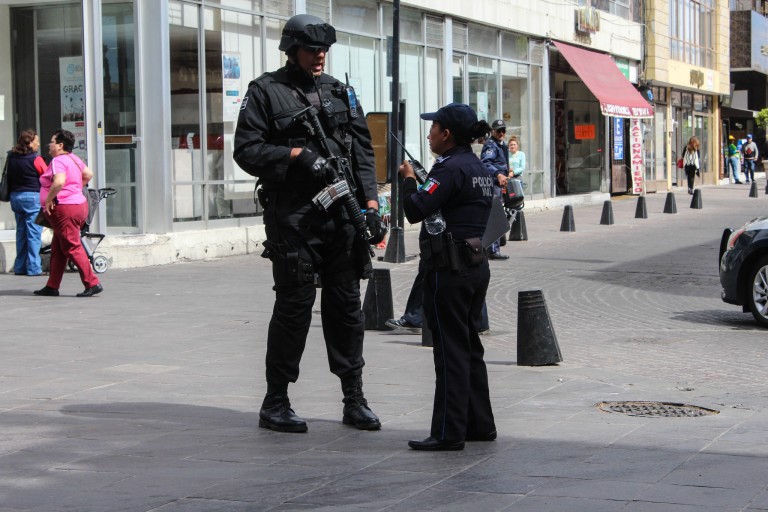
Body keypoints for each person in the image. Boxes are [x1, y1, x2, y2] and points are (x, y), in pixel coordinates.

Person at [233, 14, 386, 434]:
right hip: (295, 219)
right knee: (294, 308)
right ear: (291, 49)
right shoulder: (265, 92)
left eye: (324, 50)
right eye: (311, 49)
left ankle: (354, 398)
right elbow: (246, 151)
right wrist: (296, 157)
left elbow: (362, 152)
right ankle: (275, 401)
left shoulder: (340, 91)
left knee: (346, 310)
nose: (319, 57)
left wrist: (372, 203)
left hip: (343, 216)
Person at [399, 103, 496, 451]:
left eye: (434, 127)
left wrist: (410, 181)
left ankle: (447, 431)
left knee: (450, 350)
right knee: (470, 346)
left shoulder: (451, 169)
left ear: (447, 133)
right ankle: (480, 424)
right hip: (475, 265)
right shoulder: (478, 167)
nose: (429, 134)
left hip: (450, 269)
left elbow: (415, 210)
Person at [33, 130, 103, 297]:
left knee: (71, 246)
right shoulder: (75, 159)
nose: (49, 145)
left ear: (60, 145)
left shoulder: (58, 161)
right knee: (58, 247)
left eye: (52, 142)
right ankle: (52, 285)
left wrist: (49, 199)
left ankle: (92, 283)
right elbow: (88, 174)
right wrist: (76, 189)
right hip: (78, 205)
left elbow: (59, 182)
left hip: (64, 208)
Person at [6, 129, 47, 276]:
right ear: (29, 143)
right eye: (36, 141)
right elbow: (48, 175)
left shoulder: (11, 157)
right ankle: (34, 268)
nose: (38, 144)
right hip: (32, 198)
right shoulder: (36, 159)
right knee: (34, 234)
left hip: (16, 198)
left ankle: (20, 266)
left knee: (21, 233)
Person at [481, 120, 509, 260]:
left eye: (503, 130)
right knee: (494, 216)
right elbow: (486, 163)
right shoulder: (491, 145)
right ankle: (492, 249)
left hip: (499, 184)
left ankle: (493, 248)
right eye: (499, 131)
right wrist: (498, 174)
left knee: (497, 214)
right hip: (493, 184)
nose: (501, 133)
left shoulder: (501, 145)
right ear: (493, 131)